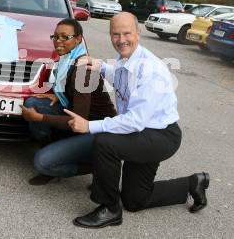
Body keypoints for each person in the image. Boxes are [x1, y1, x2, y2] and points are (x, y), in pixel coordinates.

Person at [64, 12, 210, 228]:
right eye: (115, 34)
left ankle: (110, 208)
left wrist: (88, 126)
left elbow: (134, 122)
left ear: (138, 34)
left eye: (126, 33)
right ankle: (192, 183)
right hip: (145, 133)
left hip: (160, 136)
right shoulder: (129, 59)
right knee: (134, 200)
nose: (121, 39)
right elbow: (121, 77)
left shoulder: (150, 69)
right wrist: (101, 67)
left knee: (104, 141)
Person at [20, 18, 116, 185]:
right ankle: (54, 150)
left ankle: (98, 166)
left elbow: (79, 120)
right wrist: (58, 94)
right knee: (33, 104)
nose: (58, 41)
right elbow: (73, 91)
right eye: (55, 37)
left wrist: (39, 119)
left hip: (97, 130)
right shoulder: (68, 59)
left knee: (41, 162)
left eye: (65, 37)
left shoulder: (83, 70)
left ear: (78, 39)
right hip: (79, 117)